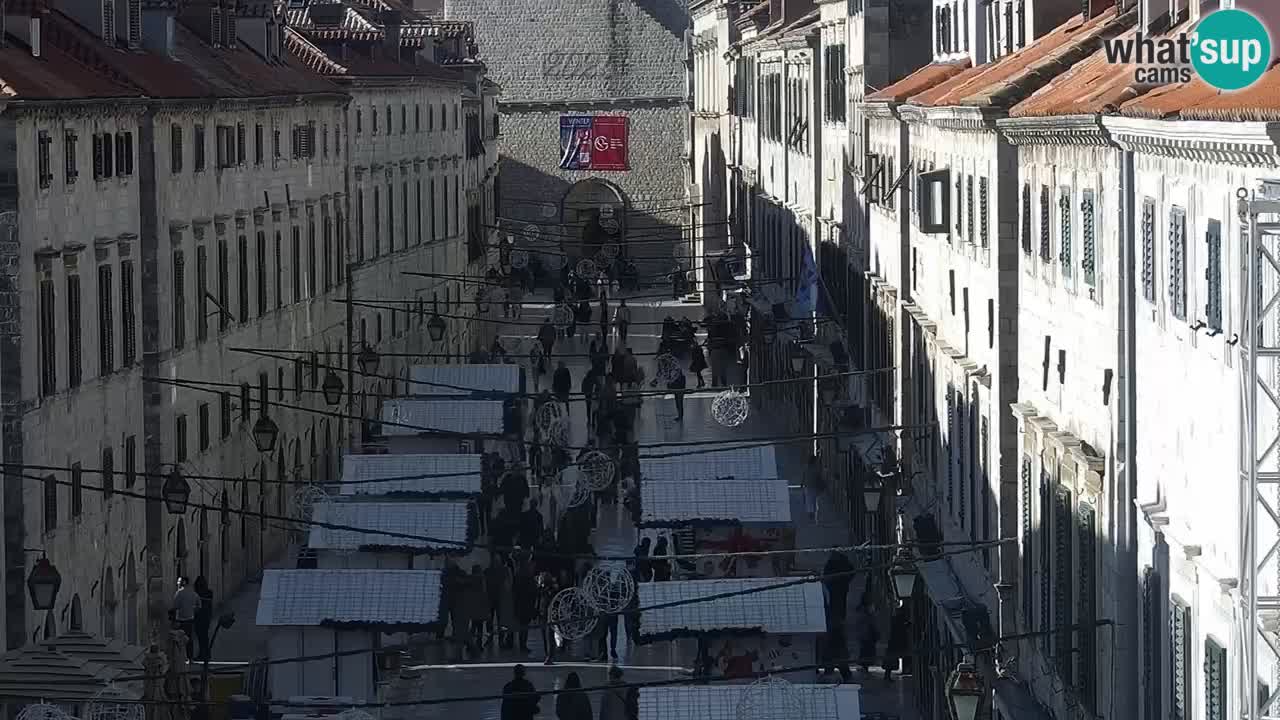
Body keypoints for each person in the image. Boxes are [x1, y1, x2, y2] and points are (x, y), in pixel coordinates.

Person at [487, 555, 516, 649]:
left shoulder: (503, 570)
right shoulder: (490, 571)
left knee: (500, 621)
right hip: (493, 599)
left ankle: (499, 640)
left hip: (500, 599)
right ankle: (492, 639)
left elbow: (509, 584)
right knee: (492, 621)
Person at [513, 560, 539, 653]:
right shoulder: (528, 579)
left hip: (521, 604)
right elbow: (533, 592)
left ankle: (522, 644)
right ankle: (522, 645)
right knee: (524, 626)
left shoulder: (518, 577)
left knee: (522, 626)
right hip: (526, 604)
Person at [822, 550, 855, 624]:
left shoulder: (831, 562)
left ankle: (836, 618)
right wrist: (847, 581)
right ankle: (840, 618)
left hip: (835, 587)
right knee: (841, 603)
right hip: (841, 587)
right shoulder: (844, 561)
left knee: (835, 603)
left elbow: (826, 575)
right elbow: (852, 572)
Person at [172, 576, 199, 658]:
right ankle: (190, 657)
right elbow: (199, 604)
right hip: (190, 619)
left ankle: (182, 657)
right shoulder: (193, 593)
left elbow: (175, 606)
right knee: (190, 639)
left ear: (183, 583)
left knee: (180, 640)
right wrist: (193, 610)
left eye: (179, 582)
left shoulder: (179, 593)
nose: (177, 583)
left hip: (181, 620)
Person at [537, 571, 560, 664]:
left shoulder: (551, 590)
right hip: (543, 614)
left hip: (549, 615)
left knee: (549, 636)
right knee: (545, 636)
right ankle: (548, 654)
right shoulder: (542, 590)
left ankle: (550, 655)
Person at [851, 600, 880, 674]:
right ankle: (865, 666)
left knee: (866, 652)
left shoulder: (866, 616)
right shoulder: (866, 616)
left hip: (867, 637)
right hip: (867, 637)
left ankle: (865, 666)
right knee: (866, 652)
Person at [192, 576, 214, 661]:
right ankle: (206, 654)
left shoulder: (197, 594)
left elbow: (196, 606)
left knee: (201, 638)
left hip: (199, 618)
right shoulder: (209, 593)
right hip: (206, 617)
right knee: (204, 637)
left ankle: (203, 654)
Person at [804, 454, 824, 521]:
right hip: (813, 486)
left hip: (808, 486)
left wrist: (802, 483)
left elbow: (804, 476)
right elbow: (818, 477)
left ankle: (811, 514)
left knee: (809, 501)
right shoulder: (815, 468)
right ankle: (813, 514)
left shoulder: (807, 467)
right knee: (814, 501)